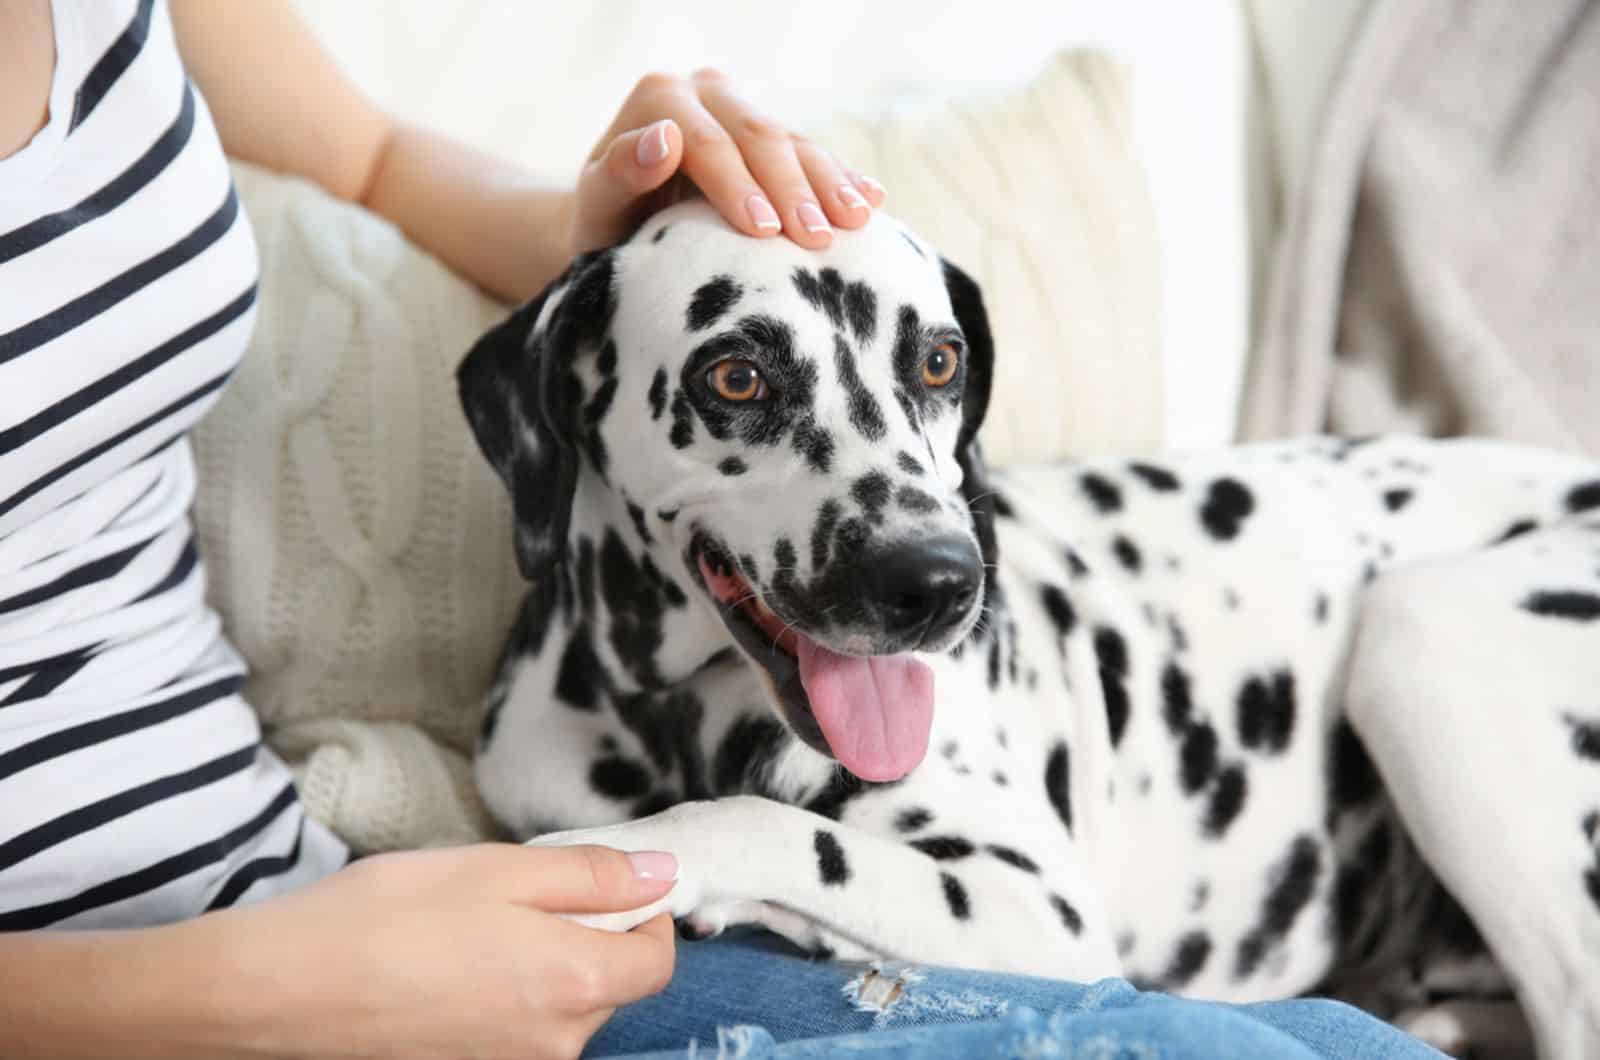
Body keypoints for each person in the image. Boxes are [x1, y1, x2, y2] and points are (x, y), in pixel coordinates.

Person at [0, 3, 1442, 1057]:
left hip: (332, 921)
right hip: (228, 991)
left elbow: (371, 160)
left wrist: (652, 234)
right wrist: (252, 995)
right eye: (742, 387)